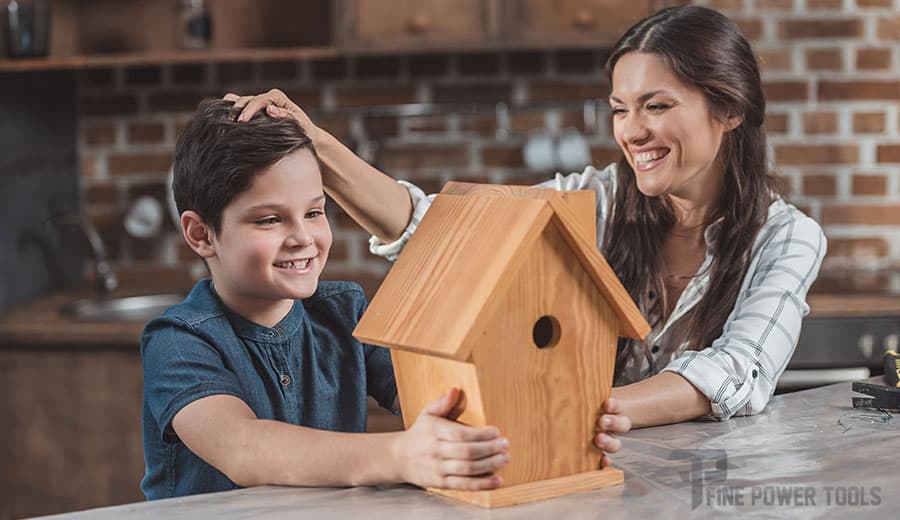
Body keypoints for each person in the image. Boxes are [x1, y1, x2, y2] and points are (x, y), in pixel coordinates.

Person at [229, 5, 825, 460]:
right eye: (620, 109)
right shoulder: (597, 200)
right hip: (586, 473)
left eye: (657, 106)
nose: (632, 130)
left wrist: (594, 409)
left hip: (708, 487)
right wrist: (316, 143)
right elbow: (445, 232)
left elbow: (738, 372)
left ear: (730, 109)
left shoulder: (788, 238)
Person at [140, 99, 512, 500]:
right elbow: (244, 448)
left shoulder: (344, 312)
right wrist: (400, 454)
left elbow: (441, 397)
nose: (303, 237)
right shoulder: (178, 341)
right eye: (269, 219)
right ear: (201, 234)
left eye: (314, 213)